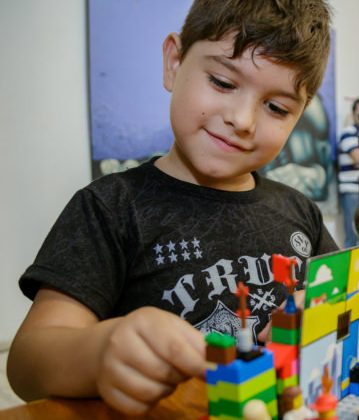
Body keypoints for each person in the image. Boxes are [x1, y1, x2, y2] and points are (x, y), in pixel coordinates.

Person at [7, 0, 335, 415]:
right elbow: (26, 363)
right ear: (174, 62)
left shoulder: (300, 211)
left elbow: (340, 293)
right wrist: (100, 351)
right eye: (221, 81)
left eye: (276, 108)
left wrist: (323, 309)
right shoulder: (111, 207)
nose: (243, 119)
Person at [337, 98, 359, 248]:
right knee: (352, 234)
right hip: (351, 190)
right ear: (353, 114)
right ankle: (348, 271)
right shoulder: (348, 132)